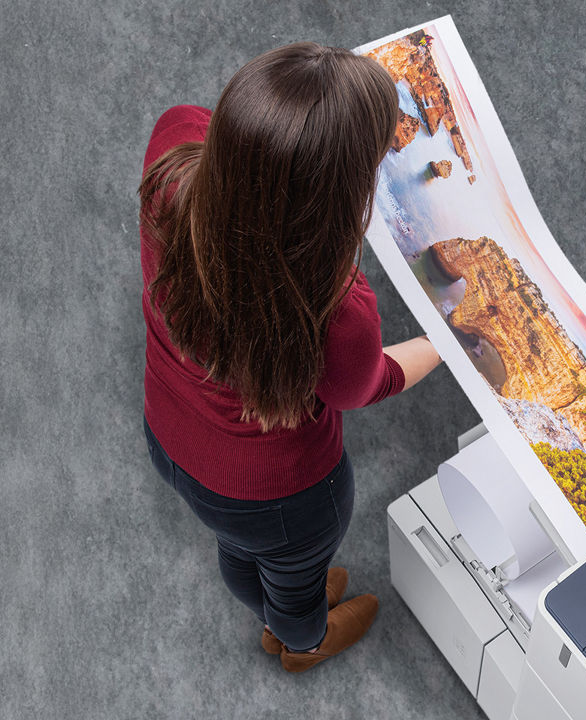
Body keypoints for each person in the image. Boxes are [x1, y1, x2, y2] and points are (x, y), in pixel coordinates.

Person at [137, 42, 441, 673]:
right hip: (282, 496)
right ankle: (301, 639)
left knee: (238, 550)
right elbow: (363, 385)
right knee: (294, 575)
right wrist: (446, 338)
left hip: (170, 437)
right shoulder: (336, 303)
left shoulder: (172, 157)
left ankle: (280, 599)